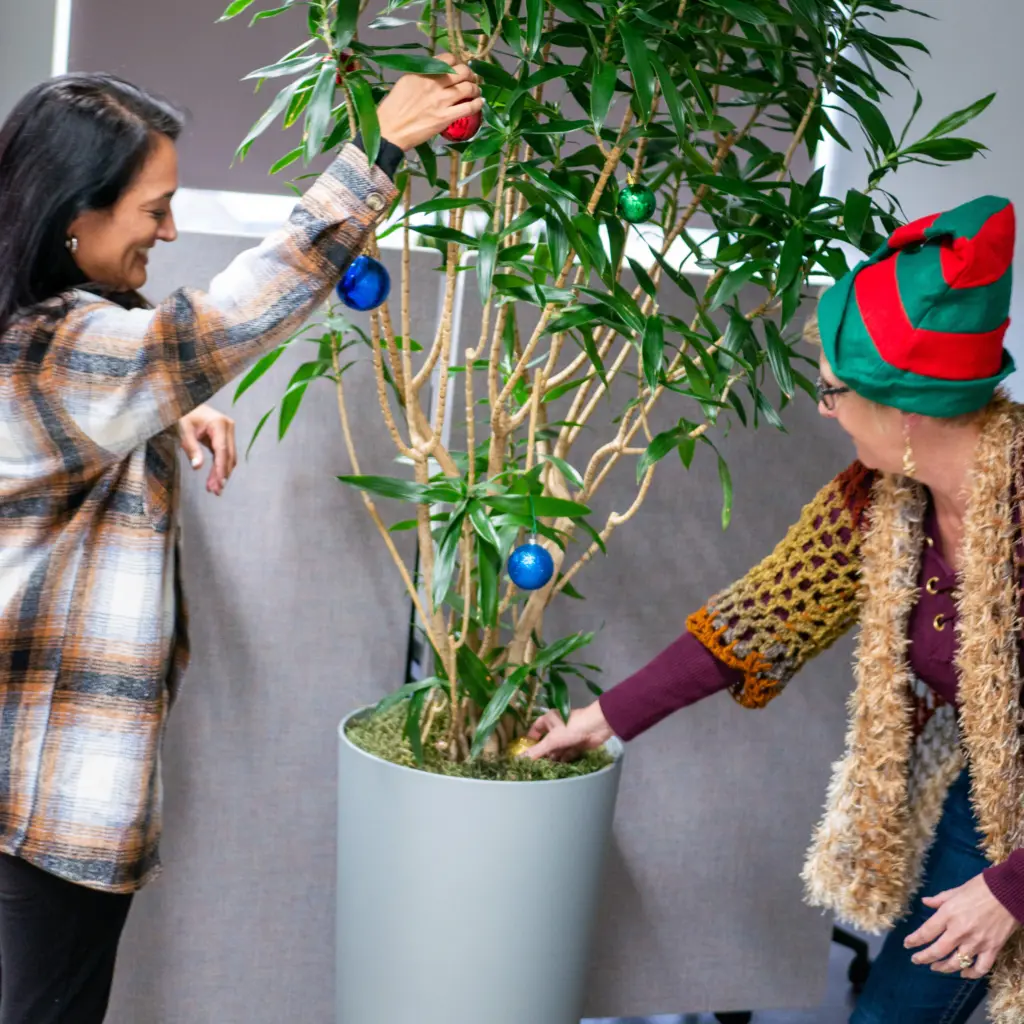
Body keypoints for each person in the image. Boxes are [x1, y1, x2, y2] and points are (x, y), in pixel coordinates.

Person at [0, 62, 481, 1024]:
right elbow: (218, 321)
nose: (171, 231)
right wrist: (377, 154)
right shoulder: (64, 355)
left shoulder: (38, 331)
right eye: (156, 208)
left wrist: (164, 414)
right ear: (73, 217)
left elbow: (122, 373)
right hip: (48, 789)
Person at [528, 196, 1024, 1024]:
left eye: (832, 391)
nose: (823, 409)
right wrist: (604, 721)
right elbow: (754, 621)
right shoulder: (881, 504)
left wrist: (1009, 889)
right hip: (996, 796)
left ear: (904, 409)